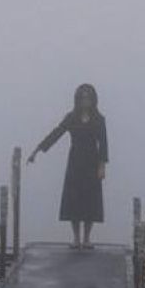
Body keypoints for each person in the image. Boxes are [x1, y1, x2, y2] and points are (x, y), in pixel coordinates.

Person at [28, 83, 109, 249]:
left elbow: (103, 144)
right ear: (77, 99)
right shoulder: (71, 117)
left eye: (88, 97)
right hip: (75, 162)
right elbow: (56, 133)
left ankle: (87, 238)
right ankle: (76, 238)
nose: (85, 100)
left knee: (90, 200)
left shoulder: (99, 119)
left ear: (93, 100)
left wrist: (102, 167)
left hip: (92, 162)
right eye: (82, 97)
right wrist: (38, 150)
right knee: (74, 199)